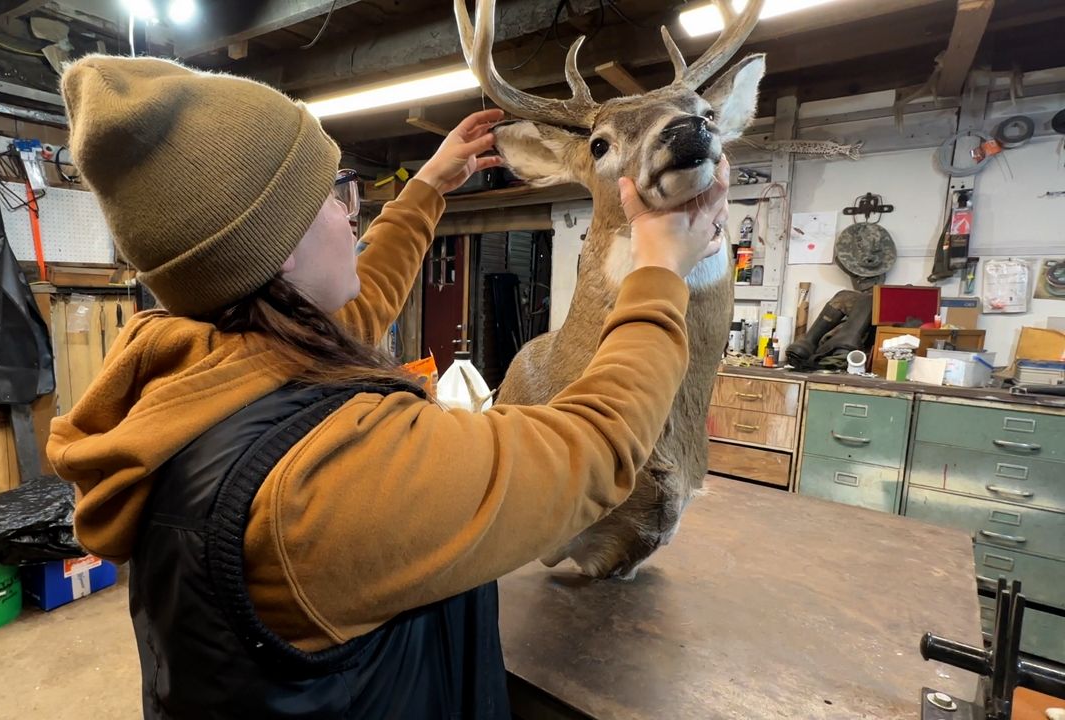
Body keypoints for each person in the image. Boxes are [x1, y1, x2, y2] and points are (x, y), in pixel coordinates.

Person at [49, 55, 727, 719]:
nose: (352, 217)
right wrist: (659, 270)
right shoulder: (324, 482)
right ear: (276, 246)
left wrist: (429, 186)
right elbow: (594, 448)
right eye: (331, 199)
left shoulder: (204, 370)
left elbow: (350, 309)